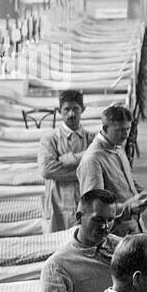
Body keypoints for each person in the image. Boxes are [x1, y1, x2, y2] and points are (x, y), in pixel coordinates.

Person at [39, 188, 120, 292]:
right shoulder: (58, 266)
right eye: (98, 220)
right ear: (79, 217)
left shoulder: (121, 247)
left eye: (110, 220)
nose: (106, 227)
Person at [78, 103, 147, 236]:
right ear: (105, 128)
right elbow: (95, 206)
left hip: (133, 225)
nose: (125, 135)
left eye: (127, 129)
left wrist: (143, 192)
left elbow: (125, 179)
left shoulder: (117, 146)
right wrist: (128, 207)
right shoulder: (93, 159)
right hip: (114, 232)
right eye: (119, 130)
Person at [37, 89, 92, 234]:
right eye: (67, 109)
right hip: (57, 204)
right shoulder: (49, 140)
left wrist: (65, 161)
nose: (71, 114)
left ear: (83, 110)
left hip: (86, 204)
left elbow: (97, 169)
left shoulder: (92, 139)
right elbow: (46, 170)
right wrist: (82, 163)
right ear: (59, 111)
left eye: (76, 109)